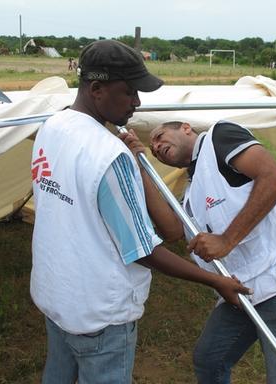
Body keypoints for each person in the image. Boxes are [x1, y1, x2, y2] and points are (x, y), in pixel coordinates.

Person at [30, 40, 251, 384]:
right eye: (129, 92)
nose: (137, 102)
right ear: (97, 89)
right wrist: (215, 280)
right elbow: (144, 250)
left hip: (57, 296)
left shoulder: (51, 127)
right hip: (99, 315)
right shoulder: (109, 155)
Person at [120, 120, 276, 383]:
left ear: (186, 128)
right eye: (153, 147)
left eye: (160, 136)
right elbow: (173, 230)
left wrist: (227, 240)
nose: (157, 146)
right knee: (209, 361)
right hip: (240, 291)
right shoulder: (191, 191)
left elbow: (274, 176)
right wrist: (141, 168)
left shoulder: (219, 137)